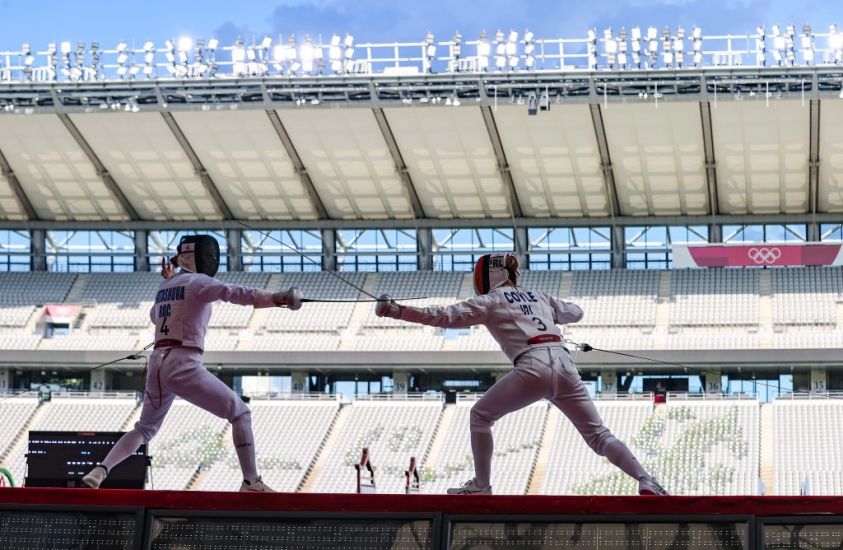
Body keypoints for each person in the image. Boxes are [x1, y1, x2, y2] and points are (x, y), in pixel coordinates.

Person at [375, 253, 667, 496]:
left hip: (532, 365)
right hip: (565, 365)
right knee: (599, 435)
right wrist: (546, 311)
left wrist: (395, 310)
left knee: (480, 416)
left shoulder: (490, 301)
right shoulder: (539, 296)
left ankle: (482, 486)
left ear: (487, 276)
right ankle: (645, 479)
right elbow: (576, 313)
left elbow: (442, 315)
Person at [82, 235, 303, 492]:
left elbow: (156, 316)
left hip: (157, 364)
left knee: (144, 429)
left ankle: (100, 470)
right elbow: (237, 293)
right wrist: (279, 298)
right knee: (240, 412)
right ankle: (251, 481)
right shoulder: (199, 282)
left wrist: (170, 284)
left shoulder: (165, 287)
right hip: (182, 362)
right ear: (202, 256)